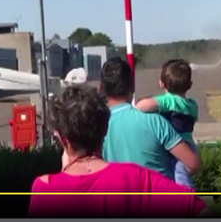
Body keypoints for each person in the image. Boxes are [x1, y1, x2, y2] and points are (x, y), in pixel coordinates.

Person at [27, 86, 209, 217]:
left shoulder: (44, 189)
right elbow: (198, 208)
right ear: (105, 129)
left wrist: (64, 171)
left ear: (62, 138)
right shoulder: (135, 178)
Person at [100, 57, 201, 181]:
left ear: (101, 88)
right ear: (132, 86)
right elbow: (193, 163)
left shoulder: (96, 127)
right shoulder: (156, 122)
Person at [134, 59, 199, 189]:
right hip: (189, 146)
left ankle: (187, 200)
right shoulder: (192, 105)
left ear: (162, 84)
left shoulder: (169, 101)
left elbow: (141, 107)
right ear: (190, 84)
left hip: (177, 147)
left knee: (180, 176)